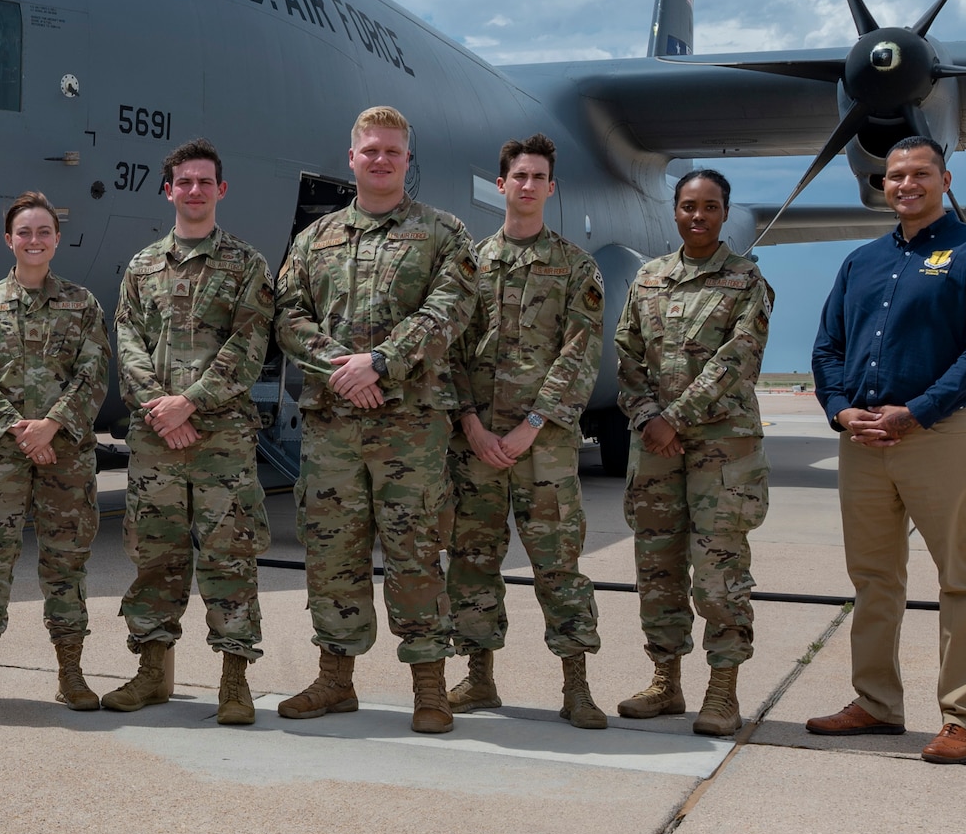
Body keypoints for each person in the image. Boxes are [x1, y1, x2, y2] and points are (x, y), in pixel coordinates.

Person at [806, 137, 966, 765]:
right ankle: (875, 702)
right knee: (873, 579)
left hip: (937, 434)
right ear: (883, 185)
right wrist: (841, 410)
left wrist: (916, 411)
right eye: (895, 176)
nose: (905, 184)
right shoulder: (861, 262)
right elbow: (828, 348)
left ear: (945, 179)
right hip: (864, 439)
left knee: (963, 579)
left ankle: (965, 717)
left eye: (919, 173)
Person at [275, 106, 477, 733]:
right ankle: (335, 681)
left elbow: (452, 306)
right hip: (335, 425)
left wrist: (382, 363)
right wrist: (345, 366)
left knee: (416, 552)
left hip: (411, 430)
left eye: (393, 151)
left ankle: (429, 687)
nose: (381, 160)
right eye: (371, 151)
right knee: (333, 554)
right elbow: (286, 315)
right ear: (352, 158)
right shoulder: (316, 239)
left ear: (406, 160)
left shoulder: (444, 234)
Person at [105, 139, 274, 726]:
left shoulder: (247, 266)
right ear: (168, 190)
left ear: (220, 190)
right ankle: (152, 673)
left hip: (221, 440)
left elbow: (250, 345)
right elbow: (125, 341)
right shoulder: (143, 266)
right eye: (184, 182)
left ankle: (234, 681)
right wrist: (160, 408)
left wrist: (190, 405)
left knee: (229, 559)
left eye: (205, 182)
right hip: (157, 439)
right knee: (155, 557)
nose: (194, 190)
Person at [446, 134, 608, 728]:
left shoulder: (574, 266)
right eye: (519, 176)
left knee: (557, 564)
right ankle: (480, 677)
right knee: (470, 560)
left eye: (539, 176)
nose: (529, 185)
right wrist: (472, 425)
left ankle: (576, 686)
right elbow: (452, 352)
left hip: (544, 449)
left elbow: (579, 352)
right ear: (501, 185)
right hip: (476, 445)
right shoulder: (470, 266)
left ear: (551, 188)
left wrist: (531, 426)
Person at [612, 168, 772, 737]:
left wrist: (672, 419)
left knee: (718, 571)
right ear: (673, 211)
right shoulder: (648, 278)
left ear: (725, 212)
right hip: (655, 447)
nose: (697, 215)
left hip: (722, 448)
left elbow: (737, 361)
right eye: (687, 205)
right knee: (657, 567)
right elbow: (626, 353)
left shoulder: (746, 280)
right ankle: (665, 680)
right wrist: (646, 418)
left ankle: (723, 688)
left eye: (709, 206)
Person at [0, 192, 111, 711]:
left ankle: (71, 673)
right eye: (24, 232)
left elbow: (94, 373)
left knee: (66, 565)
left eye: (43, 232)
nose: (33, 241)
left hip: (65, 457)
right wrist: (20, 430)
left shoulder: (83, 305)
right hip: (1, 461)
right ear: (8, 240)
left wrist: (53, 425)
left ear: (57, 239)